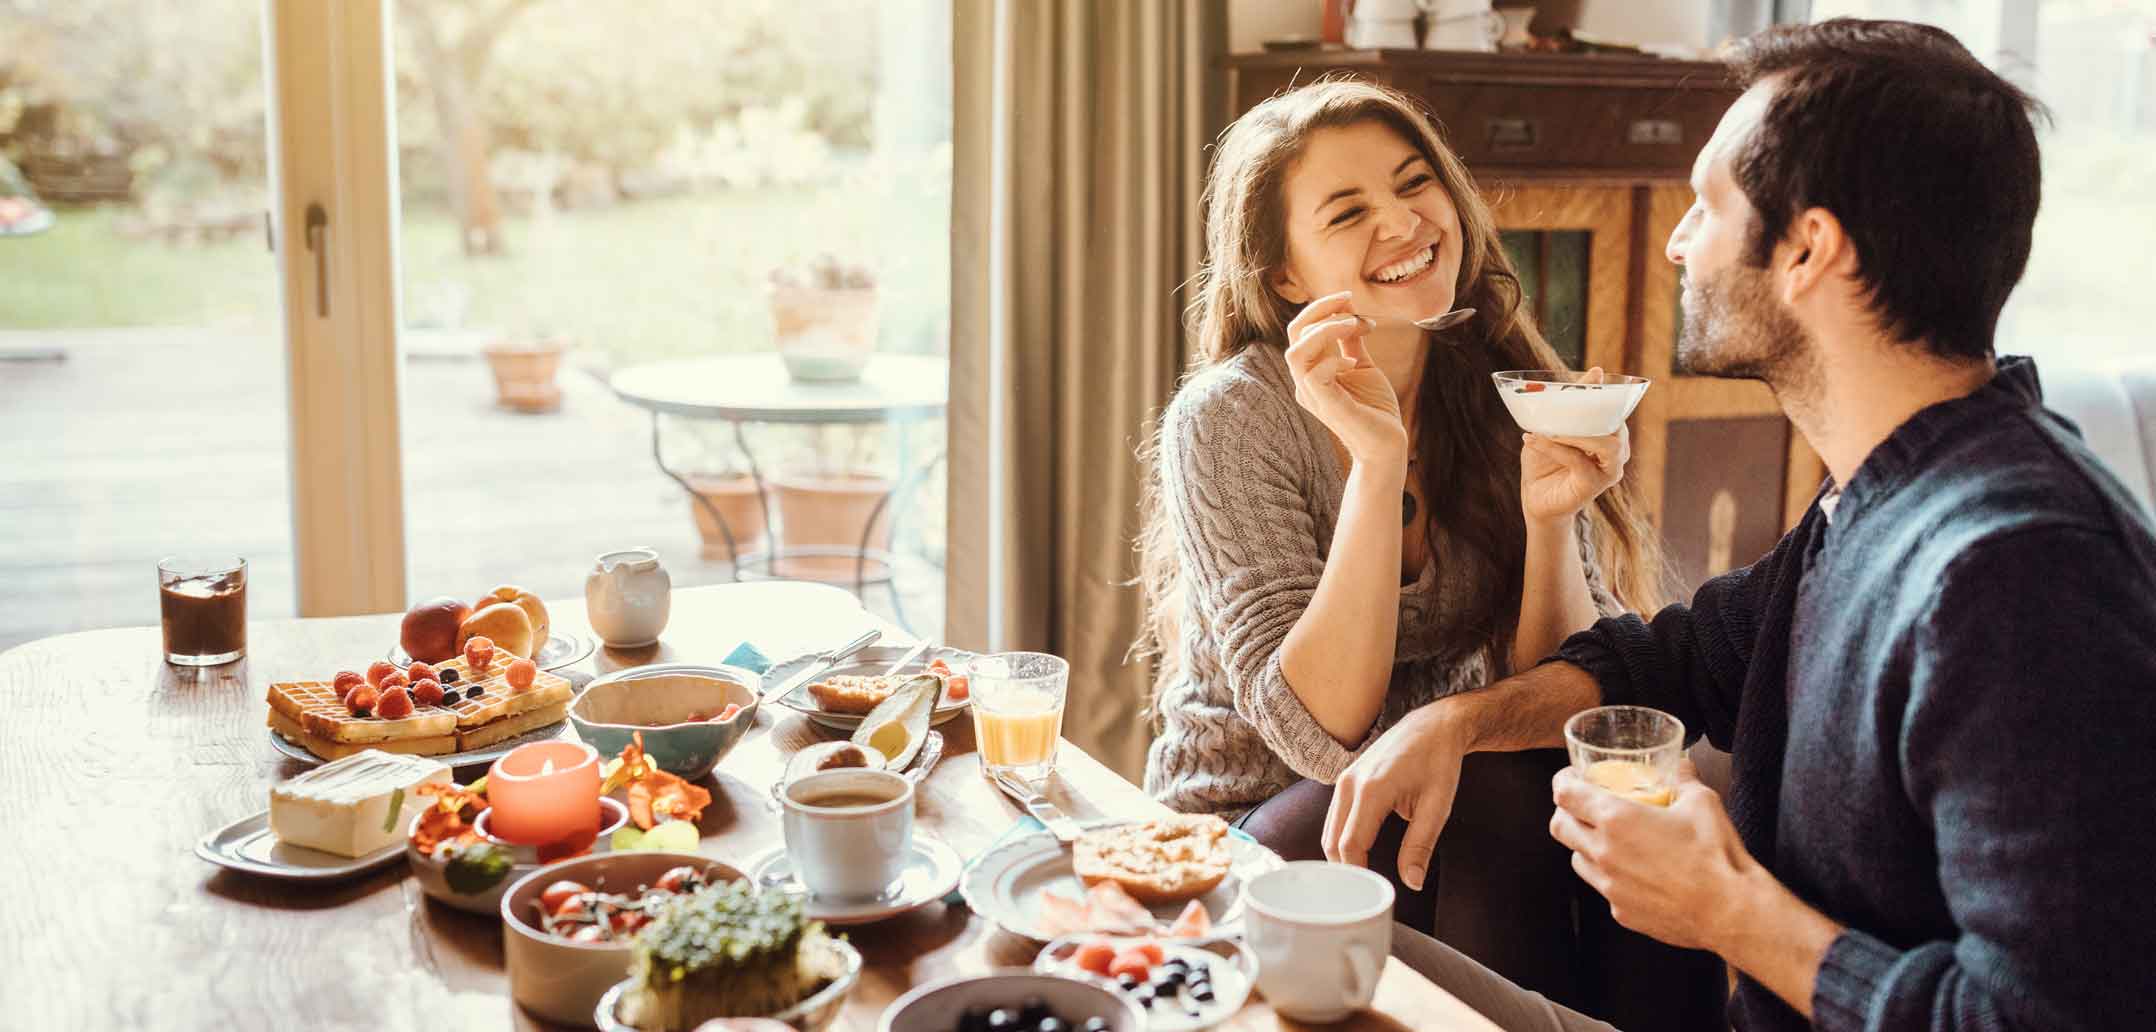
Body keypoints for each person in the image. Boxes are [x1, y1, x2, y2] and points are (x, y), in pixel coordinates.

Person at [1325, 19, 2156, 1032]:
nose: (1676, 241)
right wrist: (1451, 723)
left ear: (1806, 248)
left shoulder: (2017, 577)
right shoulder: (1878, 493)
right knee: (1336, 971)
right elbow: (1680, 657)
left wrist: (1731, 915)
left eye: (1706, 206)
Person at [1133, 79, 1722, 1026]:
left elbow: (1559, 683)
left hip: (1447, 776)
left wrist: (1548, 521)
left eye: (1416, 185)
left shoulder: (1493, 381)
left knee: (1619, 798)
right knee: (1491, 796)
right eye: (1348, 211)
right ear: (1284, 274)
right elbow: (1321, 728)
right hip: (1253, 817)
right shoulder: (1231, 418)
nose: (1405, 223)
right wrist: (1375, 461)